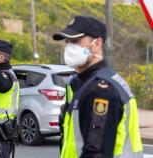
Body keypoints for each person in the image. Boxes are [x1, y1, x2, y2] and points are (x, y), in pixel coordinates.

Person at [53, 16, 143, 158]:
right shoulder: (89, 82)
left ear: (97, 44)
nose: (69, 47)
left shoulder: (101, 90)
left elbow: (96, 152)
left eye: (76, 41)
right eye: (67, 41)